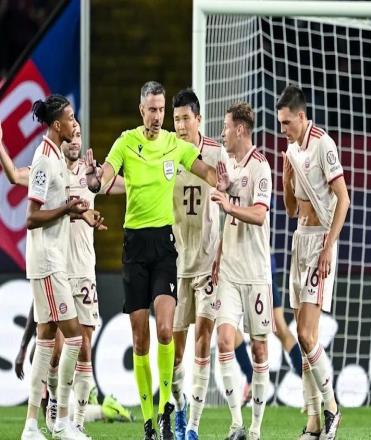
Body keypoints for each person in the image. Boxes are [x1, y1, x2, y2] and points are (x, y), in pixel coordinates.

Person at [85, 81, 228, 440]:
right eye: (152, 109)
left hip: (165, 246)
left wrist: (222, 178)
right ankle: (148, 421)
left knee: (165, 330)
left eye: (161, 110)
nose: (157, 116)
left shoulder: (174, 145)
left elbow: (206, 172)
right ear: (141, 110)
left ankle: (165, 409)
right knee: (140, 340)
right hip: (134, 247)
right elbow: (103, 181)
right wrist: (92, 178)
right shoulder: (125, 142)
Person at [0, 117, 111, 438]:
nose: (75, 140)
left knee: (83, 347)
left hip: (83, 270)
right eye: (72, 134)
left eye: (79, 135)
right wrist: (0, 145)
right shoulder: (50, 169)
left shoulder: (91, 175)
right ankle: (55, 414)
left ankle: (76, 422)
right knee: (55, 349)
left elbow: (122, 185)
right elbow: (14, 175)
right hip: (56, 267)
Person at [19, 94, 102, 440]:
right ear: (57, 125)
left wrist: (79, 212)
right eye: (69, 118)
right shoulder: (43, 161)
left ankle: (31, 425)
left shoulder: (54, 157)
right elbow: (31, 217)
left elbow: (56, 206)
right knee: (74, 337)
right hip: (48, 261)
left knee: (45, 339)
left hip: (52, 260)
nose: (74, 123)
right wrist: (66, 210)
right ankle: (62, 420)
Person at [277, 84, 349, 440]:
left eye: (287, 122)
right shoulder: (291, 150)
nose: (283, 129)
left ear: (302, 117)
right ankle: (313, 423)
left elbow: (343, 199)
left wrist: (328, 247)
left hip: (321, 240)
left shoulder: (324, 144)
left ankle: (332, 408)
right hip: (300, 240)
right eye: (280, 123)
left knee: (305, 335)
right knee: (306, 339)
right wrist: (286, 180)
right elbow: (291, 210)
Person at [211, 102, 273, 440]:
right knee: (224, 341)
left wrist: (228, 204)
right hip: (230, 272)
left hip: (256, 273)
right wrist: (219, 252)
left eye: (226, 126)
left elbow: (259, 215)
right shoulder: (228, 165)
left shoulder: (260, 166)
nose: (222, 132)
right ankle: (236, 423)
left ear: (240, 129)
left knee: (259, 350)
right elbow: (230, 216)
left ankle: (256, 429)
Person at [169, 88, 229, 440]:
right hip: (178, 265)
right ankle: (179, 409)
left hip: (208, 264)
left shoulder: (216, 154)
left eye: (185, 119)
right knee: (175, 352)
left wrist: (224, 250)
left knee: (203, 340)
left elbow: (234, 194)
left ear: (198, 120)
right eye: (176, 119)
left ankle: (193, 425)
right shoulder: (166, 153)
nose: (180, 125)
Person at [235, 254, 303, 406]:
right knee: (227, 327)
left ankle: (308, 382)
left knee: (279, 328)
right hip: (231, 271)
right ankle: (250, 377)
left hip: (260, 269)